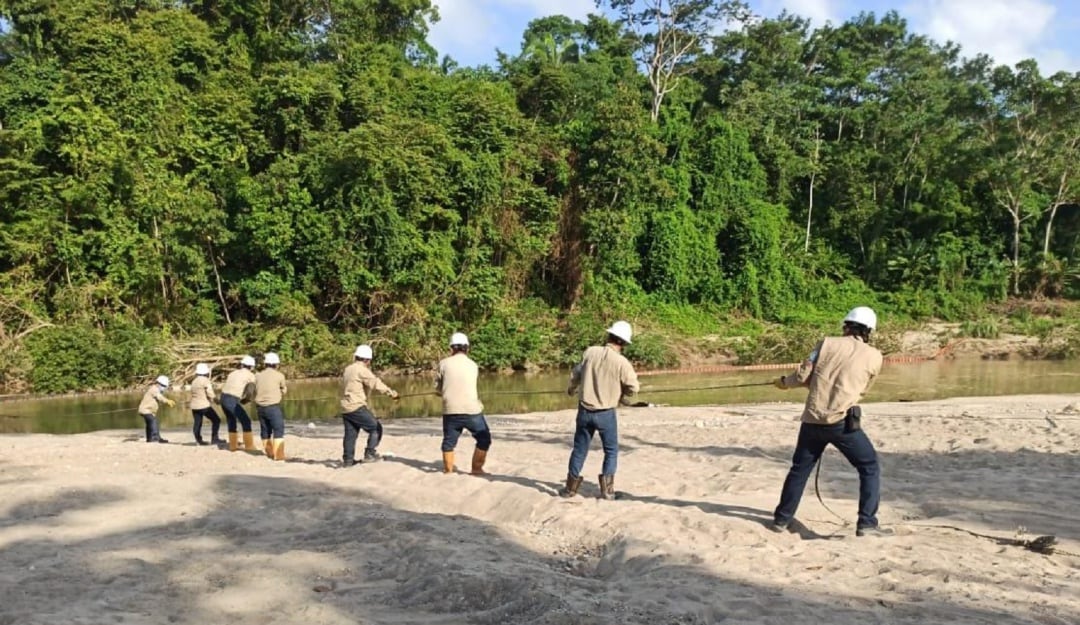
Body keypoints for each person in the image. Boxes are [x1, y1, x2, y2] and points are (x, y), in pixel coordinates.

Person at [770, 306, 891, 538]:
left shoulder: (825, 343)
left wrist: (783, 383)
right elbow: (862, 389)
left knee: (799, 470)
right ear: (869, 331)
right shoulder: (875, 356)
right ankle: (867, 524)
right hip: (842, 423)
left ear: (846, 326)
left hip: (812, 420)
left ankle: (781, 520)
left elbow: (804, 377)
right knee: (869, 467)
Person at [560, 321, 640, 500]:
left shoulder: (590, 352)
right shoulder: (622, 362)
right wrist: (623, 393)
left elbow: (576, 374)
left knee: (579, 449)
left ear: (609, 336)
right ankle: (607, 491)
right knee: (610, 450)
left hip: (584, 410)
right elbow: (633, 387)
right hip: (605, 413)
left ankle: (570, 489)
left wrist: (571, 389)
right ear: (624, 343)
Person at [435, 332, 491, 475]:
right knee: (484, 439)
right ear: (467, 348)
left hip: (450, 411)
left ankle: (448, 470)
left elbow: (438, 389)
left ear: (451, 348)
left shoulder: (443, 364)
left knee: (448, 442)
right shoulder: (473, 365)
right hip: (472, 410)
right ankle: (476, 469)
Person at [339, 344, 399, 467]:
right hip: (357, 406)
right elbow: (375, 383)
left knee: (350, 435)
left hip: (346, 407)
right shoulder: (362, 370)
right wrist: (391, 393)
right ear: (367, 359)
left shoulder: (348, 369)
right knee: (376, 428)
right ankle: (370, 454)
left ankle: (348, 461)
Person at [254, 352, 288, 461]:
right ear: (276, 364)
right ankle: (278, 455)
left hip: (260, 407)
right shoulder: (279, 375)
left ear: (266, 364)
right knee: (278, 429)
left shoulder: (258, 376)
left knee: (265, 430)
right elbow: (283, 389)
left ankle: (269, 452)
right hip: (273, 407)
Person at [220, 356, 257, 452]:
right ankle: (249, 445)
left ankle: (233, 446)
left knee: (231, 420)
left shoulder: (233, 373)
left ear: (242, 364)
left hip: (223, 397)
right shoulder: (251, 375)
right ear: (252, 367)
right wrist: (246, 400)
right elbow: (250, 391)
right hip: (232, 399)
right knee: (246, 421)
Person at [189, 363, 224, 446]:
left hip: (194, 406)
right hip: (204, 405)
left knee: (197, 423)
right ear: (206, 372)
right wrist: (216, 400)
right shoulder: (205, 380)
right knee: (216, 420)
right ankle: (215, 439)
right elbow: (210, 392)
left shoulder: (194, 381)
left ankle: (198, 440)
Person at [138, 375, 175, 443]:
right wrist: (167, 401)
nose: (164, 388)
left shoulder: (156, 389)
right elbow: (159, 397)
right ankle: (155, 438)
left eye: (165, 386)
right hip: (146, 410)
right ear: (158, 383)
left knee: (150, 424)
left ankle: (150, 439)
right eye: (163, 386)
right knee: (153, 421)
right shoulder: (154, 389)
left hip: (149, 411)